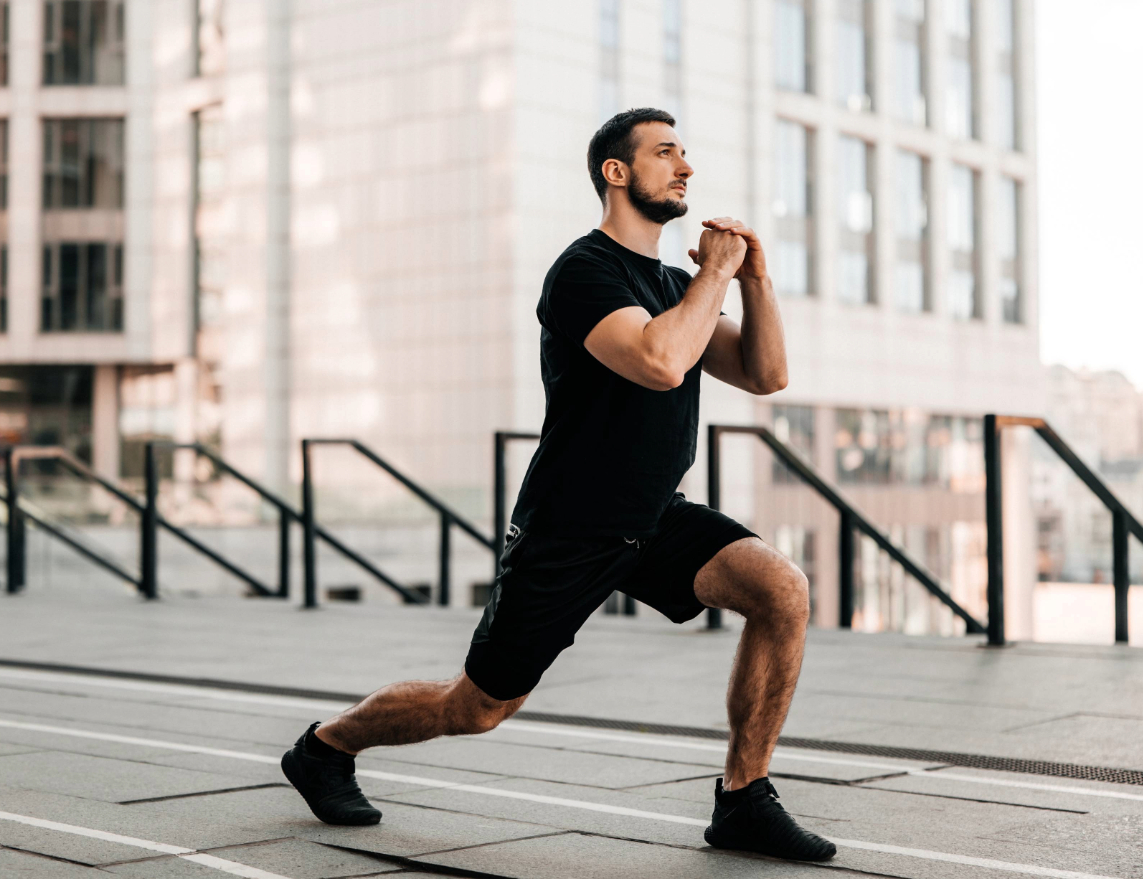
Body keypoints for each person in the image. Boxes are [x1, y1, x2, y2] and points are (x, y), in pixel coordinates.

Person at [282, 108, 836, 863]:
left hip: (654, 517)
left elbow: (765, 374)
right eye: (666, 152)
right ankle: (324, 746)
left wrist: (757, 280)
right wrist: (714, 275)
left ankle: (743, 798)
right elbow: (659, 360)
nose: (687, 168)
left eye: (686, 154)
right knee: (476, 707)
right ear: (617, 172)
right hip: (569, 527)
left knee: (781, 589)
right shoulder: (584, 272)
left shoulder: (679, 283)